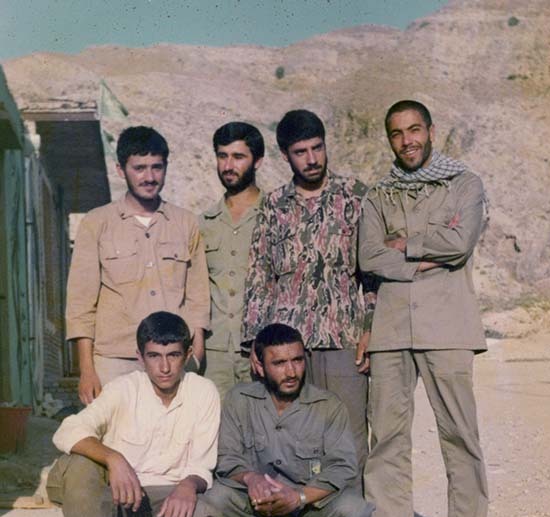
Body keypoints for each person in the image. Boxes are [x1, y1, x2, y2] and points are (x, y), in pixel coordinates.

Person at [358, 100, 489, 517]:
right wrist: (427, 260)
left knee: (459, 435)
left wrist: (407, 245)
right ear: (389, 140)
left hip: (448, 326)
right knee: (387, 439)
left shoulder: (464, 184)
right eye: (397, 134)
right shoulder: (378, 195)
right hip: (392, 329)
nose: (407, 140)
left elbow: (461, 243)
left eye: (415, 130)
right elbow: (369, 256)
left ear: (431, 131)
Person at [47, 312, 221, 517]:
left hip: (168, 507)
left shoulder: (203, 392)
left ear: (187, 355)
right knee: (77, 464)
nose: (164, 367)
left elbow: (202, 464)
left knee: (205, 511)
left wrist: (188, 484)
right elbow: (68, 430)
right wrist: (113, 458)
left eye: (173, 355)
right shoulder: (123, 388)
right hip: (121, 500)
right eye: (154, 356)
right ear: (140, 357)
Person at [241, 109, 375, 475]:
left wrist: (369, 330)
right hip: (289, 345)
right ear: (286, 155)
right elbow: (260, 276)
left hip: (344, 340)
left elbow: (372, 275)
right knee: (295, 439)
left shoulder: (354, 196)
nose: (312, 159)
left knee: (349, 438)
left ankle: (352, 513)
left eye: (317, 148)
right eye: (301, 152)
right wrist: (256, 342)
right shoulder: (273, 206)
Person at [205, 323, 373, 517]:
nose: (291, 372)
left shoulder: (328, 406)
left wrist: (299, 497)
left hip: (307, 513)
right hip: (257, 512)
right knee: (217, 497)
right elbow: (227, 458)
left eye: (297, 360)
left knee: (355, 510)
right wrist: (251, 479)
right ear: (259, 366)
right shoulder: (239, 400)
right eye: (279, 363)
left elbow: (342, 468)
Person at [66, 126, 210, 404]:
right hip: (115, 360)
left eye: (157, 167)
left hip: (172, 358)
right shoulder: (96, 223)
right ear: (121, 170)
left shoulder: (186, 223)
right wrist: (87, 370)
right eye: (139, 168)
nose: (149, 177)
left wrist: (197, 348)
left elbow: (198, 294)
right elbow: (80, 303)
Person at [199, 122, 264, 398]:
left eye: (238, 157)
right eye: (222, 156)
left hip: (261, 349)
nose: (228, 166)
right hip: (215, 355)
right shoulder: (204, 223)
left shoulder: (276, 216)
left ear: (257, 161)